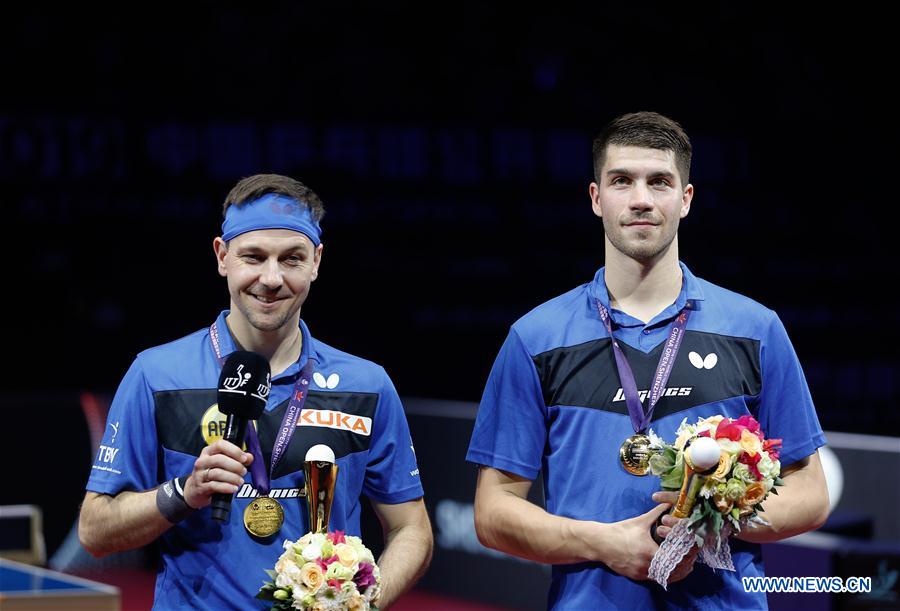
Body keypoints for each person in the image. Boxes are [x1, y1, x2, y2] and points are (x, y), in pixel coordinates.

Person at [466, 112, 829, 609]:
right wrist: (605, 544)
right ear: (596, 198)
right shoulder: (535, 338)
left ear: (685, 199)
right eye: (622, 181)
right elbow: (493, 512)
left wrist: (718, 517)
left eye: (659, 181)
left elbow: (810, 492)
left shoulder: (755, 328)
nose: (640, 198)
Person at [79, 174, 433, 609]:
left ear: (317, 262)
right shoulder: (157, 374)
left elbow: (411, 529)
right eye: (253, 256)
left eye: (292, 259)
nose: (271, 278)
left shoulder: (367, 385)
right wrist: (184, 492)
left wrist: (363, 604)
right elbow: (95, 531)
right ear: (222, 256)